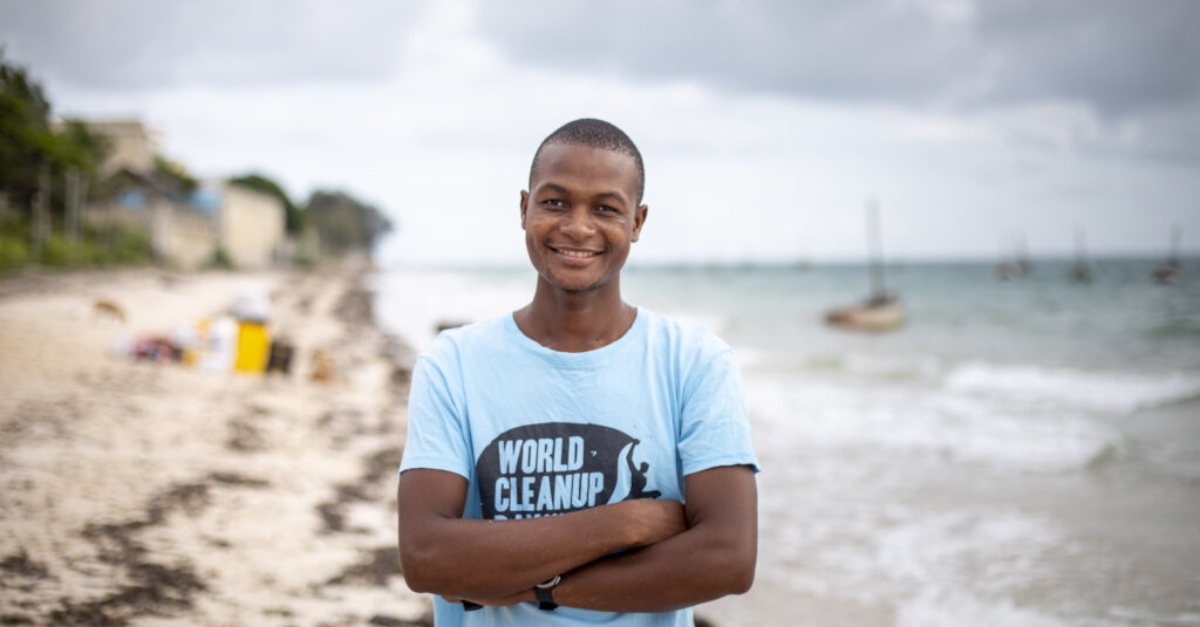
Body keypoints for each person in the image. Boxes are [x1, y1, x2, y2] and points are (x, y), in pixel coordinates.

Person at [397, 118, 759, 626]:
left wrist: (532, 587)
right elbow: (426, 556)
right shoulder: (454, 364)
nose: (578, 226)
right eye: (555, 202)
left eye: (606, 208)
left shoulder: (694, 362)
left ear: (637, 222)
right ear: (525, 209)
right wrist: (624, 523)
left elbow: (729, 561)